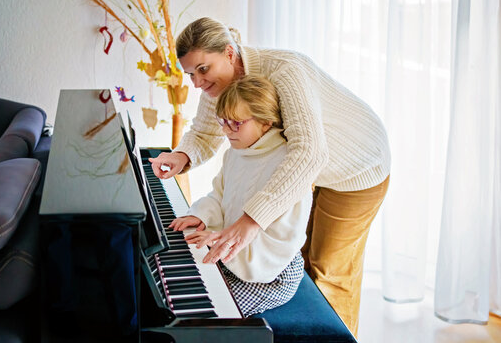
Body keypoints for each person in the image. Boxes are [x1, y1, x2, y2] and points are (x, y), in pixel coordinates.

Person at [149, 17, 390, 335]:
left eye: (203, 70)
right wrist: (181, 156)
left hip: (357, 166)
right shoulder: (221, 86)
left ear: (229, 53)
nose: (196, 83)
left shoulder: (286, 70)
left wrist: (251, 221)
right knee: (294, 252)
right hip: (303, 167)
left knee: (330, 273)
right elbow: (206, 131)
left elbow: (309, 154)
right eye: (190, 74)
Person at [169, 75, 312, 316]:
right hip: (235, 255)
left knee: (204, 315)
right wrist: (203, 216)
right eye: (222, 121)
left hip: (271, 272)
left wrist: (220, 241)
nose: (225, 131)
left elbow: (280, 238)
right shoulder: (238, 151)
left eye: (235, 123)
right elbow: (219, 195)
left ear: (266, 121)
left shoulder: (288, 166)